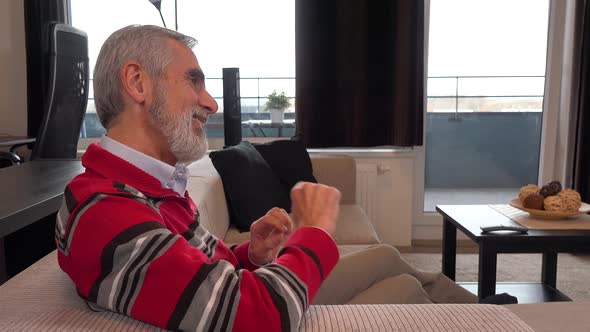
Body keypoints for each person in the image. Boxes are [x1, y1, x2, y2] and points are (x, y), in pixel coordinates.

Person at [57, 25, 488, 332]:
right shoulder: (107, 212)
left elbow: (199, 268)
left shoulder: (147, 186)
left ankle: (493, 317)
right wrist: (314, 231)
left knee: (388, 258)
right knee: (404, 293)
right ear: (137, 83)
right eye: (194, 81)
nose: (211, 102)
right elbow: (254, 316)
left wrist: (251, 254)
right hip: (262, 312)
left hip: (251, 291)